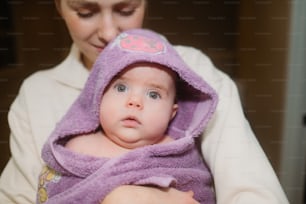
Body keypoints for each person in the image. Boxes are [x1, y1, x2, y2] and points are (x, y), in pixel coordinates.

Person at [0, 0, 289, 204]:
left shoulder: (194, 73)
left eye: (126, 10)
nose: (109, 32)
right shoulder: (37, 93)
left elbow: (253, 190)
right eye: (86, 12)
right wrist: (119, 198)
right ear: (58, 6)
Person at [37, 28, 217, 204]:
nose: (135, 101)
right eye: (121, 88)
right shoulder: (75, 148)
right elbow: (57, 193)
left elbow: (200, 193)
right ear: (98, 96)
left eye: (153, 94)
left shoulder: (177, 152)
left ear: (172, 113)